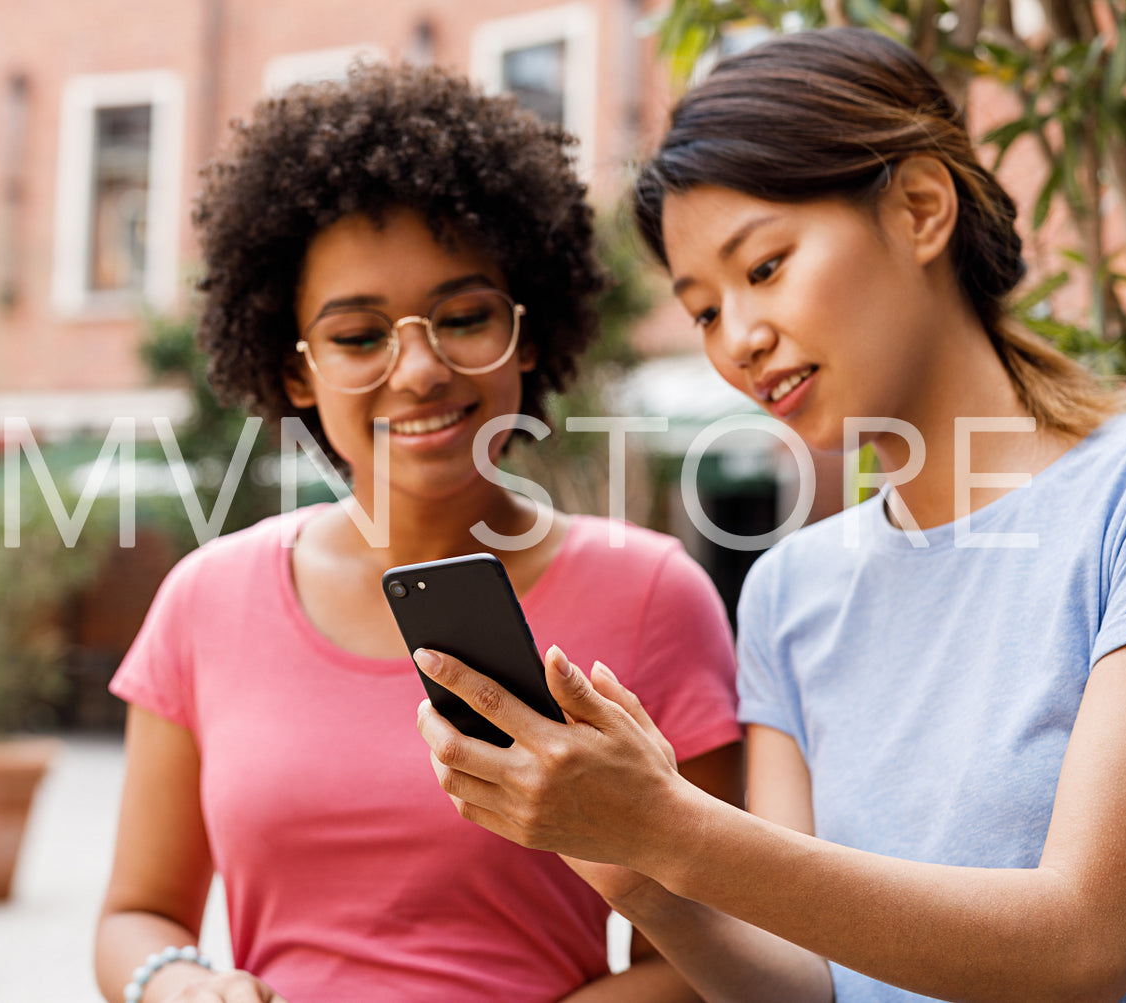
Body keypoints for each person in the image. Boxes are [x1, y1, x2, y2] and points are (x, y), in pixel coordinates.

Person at [415, 26, 1126, 1003]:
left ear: (920, 209)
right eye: (704, 310)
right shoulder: (790, 590)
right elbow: (805, 990)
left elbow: (1082, 944)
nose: (740, 341)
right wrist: (643, 876)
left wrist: (673, 826)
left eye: (762, 268)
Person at [93, 62, 744, 1003]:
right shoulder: (206, 598)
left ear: (525, 333)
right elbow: (136, 912)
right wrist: (177, 983)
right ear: (298, 371)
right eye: (359, 336)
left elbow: (714, 956)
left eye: (464, 317)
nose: (420, 369)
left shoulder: (650, 594)